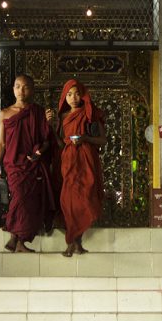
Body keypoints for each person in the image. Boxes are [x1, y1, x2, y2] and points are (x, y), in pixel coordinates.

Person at [0, 75, 56, 253]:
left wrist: (48, 124)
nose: (21, 90)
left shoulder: (38, 112)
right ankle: (17, 239)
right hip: (13, 164)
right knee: (19, 198)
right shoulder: (4, 113)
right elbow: (1, 143)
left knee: (28, 202)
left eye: (26, 87)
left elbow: (47, 141)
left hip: (32, 163)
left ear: (32, 90)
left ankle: (16, 240)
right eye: (18, 86)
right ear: (13, 89)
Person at [54, 79, 107, 257]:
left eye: (77, 93)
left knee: (84, 199)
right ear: (64, 97)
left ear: (82, 94)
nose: (73, 98)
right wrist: (51, 130)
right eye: (69, 94)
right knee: (68, 201)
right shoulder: (63, 117)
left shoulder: (91, 114)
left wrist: (85, 138)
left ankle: (74, 242)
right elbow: (61, 144)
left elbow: (102, 140)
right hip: (69, 161)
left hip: (86, 160)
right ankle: (74, 242)